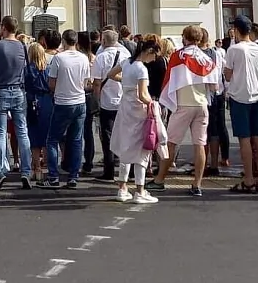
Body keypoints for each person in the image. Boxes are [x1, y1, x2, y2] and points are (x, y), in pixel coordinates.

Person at [149, 25, 218, 197]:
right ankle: (197, 184)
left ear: (185, 38)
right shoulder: (206, 58)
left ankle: (160, 180)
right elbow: (215, 86)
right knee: (200, 144)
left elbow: (169, 80)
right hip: (202, 105)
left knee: (171, 143)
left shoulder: (178, 56)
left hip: (183, 104)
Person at [108, 38, 164, 204]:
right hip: (139, 111)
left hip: (125, 108)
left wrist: (125, 82)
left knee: (126, 147)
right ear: (149, 52)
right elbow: (142, 94)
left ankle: (122, 188)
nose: (154, 59)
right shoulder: (141, 69)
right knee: (142, 149)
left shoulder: (127, 63)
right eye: (154, 56)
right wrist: (153, 103)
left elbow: (111, 74)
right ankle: (140, 190)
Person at [0, 16, 32, 191]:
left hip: (1, 90)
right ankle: (26, 171)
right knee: (22, 132)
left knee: (0, 133)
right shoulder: (22, 46)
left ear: (4, 28)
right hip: (18, 90)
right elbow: (27, 69)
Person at [40, 29, 90, 189]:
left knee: (52, 139)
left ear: (63, 41)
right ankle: (73, 176)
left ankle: (53, 176)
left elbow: (51, 83)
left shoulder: (59, 58)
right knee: (76, 140)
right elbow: (86, 82)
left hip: (63, 102)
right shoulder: (83, 58)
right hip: (80, 101)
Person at [224, 15, 258, 193]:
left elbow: (227, 75)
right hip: (257, 95)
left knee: (245, 139)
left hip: (239, 96)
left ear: (236, 30)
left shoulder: (234, 49)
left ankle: (248, 178)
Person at [92, 29, 128, 182]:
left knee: (107, 137)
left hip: (107, 101)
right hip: (124, 100)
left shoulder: (101, 57)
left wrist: (97, 99)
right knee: (126, 135)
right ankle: (128, 170)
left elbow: (97, 82)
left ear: (103, 41)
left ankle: (109, 171)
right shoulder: (126, 56)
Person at [23, 41, 53, 185]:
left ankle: (37, 169)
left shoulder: (27, 69)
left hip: (32, 101)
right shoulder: (48, 69)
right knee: (47, 136)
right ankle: (48, 168)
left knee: (34, 138)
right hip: (47, 101)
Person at [203, 29, 230, 176]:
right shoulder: (217, 53)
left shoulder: (200, 55)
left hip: (208, 95)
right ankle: (216, 162)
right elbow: (223, 72)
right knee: (218, 128)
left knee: (206, 131)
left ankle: (205, 163)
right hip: (218, 93)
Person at [77, 31, 97, 176]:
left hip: (79, 94)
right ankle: (88, 162)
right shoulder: (93, 58)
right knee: (88, 131)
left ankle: (75, 161)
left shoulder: (79, 57)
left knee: (76, 131)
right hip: (90, 95)